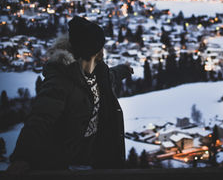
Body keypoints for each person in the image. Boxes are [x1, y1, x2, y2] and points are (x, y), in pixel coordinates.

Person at [7, 16, 133, 173]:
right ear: (92, 50)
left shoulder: (98, 72)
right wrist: (22, 157)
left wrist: (124, 70)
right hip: (65, 165)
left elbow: (111, 76)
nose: (102, 50)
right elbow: (40, 117)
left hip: (95, 160)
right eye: (100, 46)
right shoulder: (61, 80)